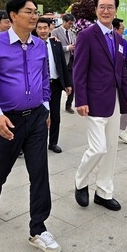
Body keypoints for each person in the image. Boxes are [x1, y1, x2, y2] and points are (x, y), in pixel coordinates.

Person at [0, 0, 60, 252]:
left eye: (36, 11)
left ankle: (38, 228)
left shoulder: (39, 45)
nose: (35, 16)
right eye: (29, 11)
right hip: (7, 119)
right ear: (13, 15)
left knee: (39, 172)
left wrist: (46, 107)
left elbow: (45, 77)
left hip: (36, 117)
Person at [73, 0, 127, 212]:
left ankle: (104, 192)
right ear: (96, 10)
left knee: (111, 148)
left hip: (115, 100)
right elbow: (79, 70)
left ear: (116, 10)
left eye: (110, 7)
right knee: (98, 148)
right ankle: (80, 181)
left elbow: (121, 71)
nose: (106, 10)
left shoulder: (119, 38)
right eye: (102, 7)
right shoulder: (87, 35)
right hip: (94, 100)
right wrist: (80, 99)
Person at [36, 17, 72, 153]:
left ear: (50, 28)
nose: (42, 31)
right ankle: (37, 143)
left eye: (45, 28)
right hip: (38, 86)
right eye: (39, 28)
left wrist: (68, 83)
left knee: (55, 116)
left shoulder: (56, 44)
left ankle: (53, 143)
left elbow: (63, 64)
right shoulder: (31, 44)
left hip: (55, 84)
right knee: (40, 116)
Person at [113, 18, 127, 144]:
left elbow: (125, 57)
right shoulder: (107, 41)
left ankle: (121, 129)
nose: (123, 30)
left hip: (122, 77)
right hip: (109, 81)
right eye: (122, 28)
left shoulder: (123, 42)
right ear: (115, 29)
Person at [51, 13, 76, 114]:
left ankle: (68, 105)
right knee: (60, 85)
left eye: (72, 24)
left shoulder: (72, 33)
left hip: (71, 61)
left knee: (72, 85)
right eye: (69, 23)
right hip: (61, 62)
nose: (71, 26)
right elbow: (53, 47)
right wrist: (67, 48)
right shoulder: (55, 32)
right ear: (64, 22)